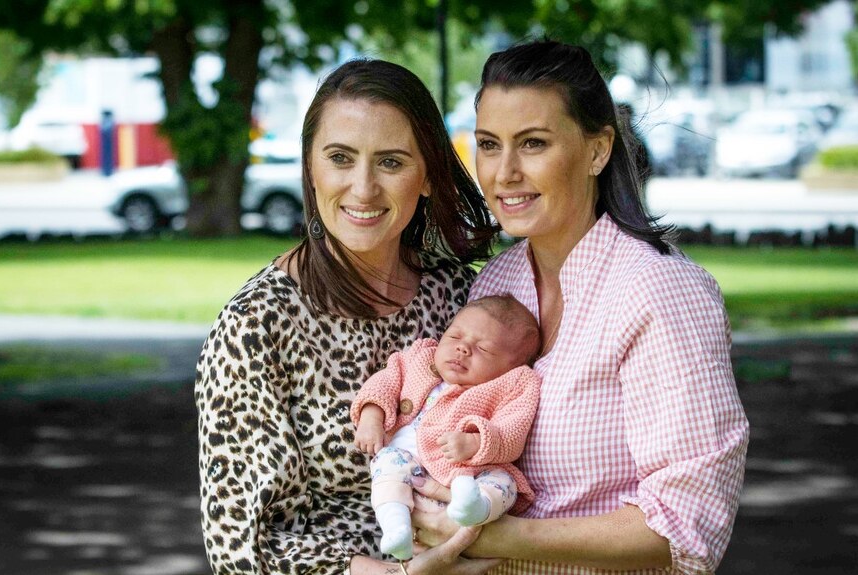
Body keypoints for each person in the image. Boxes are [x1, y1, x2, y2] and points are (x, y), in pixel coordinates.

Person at [411, 40, 750, 575]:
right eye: (489, 144)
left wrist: (500, 538)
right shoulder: (499, 282)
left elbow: (687, 524)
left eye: (534, 143)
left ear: (597, 150)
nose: (503, 173)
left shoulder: (658, 291)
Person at [194, 58, 502, 575]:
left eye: (390, 162)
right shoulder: (256, 326)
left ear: (427, 176)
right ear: (310, 167)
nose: (362, 188)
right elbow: (243, 544)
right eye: (340, 157)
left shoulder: (462, 295)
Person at [351, 295, 541, 560]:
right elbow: (384, 381)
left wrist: (476, 443)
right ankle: (396, 527)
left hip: (472, 472)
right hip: (409, 460)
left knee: (504, 482)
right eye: (455, 337)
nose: (462, 349)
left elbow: (513, 430)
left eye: (483, 349)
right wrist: (372, 417)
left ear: (512, 367)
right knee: (386, 463)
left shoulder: (512, 386)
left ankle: (477, 506)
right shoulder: (420, 358)